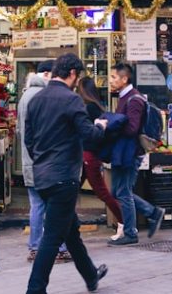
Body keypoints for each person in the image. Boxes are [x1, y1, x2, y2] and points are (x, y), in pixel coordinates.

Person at [24, 53, 109, 294]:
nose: (76, 82)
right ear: (72, 73)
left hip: (42, 175)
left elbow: (29, 141)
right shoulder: (72, 100)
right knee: (52, 238)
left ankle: (91, 276)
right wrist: (100, 126)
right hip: (63, 177)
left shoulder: (35, 100)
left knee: (70, 231)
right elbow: (90, 136)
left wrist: (42, 161)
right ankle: (35, 289)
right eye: (76, 77)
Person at [18, 61, 71, 263]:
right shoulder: (40, 96)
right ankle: (56, 247)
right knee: (50, 206)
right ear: (47, 74)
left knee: (37, 205)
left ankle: (35, 247)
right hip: (43, 162)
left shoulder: (25, 95)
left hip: (29, 160)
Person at [107, 62, 164, 246]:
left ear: (124, 79)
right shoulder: (125, 97)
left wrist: (111, 125)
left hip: (130, 153)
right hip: (123, 152)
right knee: (118, 191)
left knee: (122, 191)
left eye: (114, 77)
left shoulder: (134, 100)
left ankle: (131, 233)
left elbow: (132, 128)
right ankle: (153, 213)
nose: (111, 80)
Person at [76, 76, 125, 241]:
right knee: (73, 191)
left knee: (102, 192)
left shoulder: (89, 108)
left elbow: (90, 132)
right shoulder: (95, 106)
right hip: (88, 155)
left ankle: (123, 222)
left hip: (88, 155)